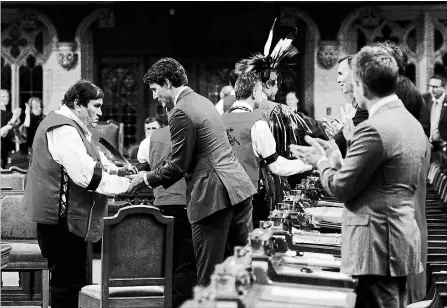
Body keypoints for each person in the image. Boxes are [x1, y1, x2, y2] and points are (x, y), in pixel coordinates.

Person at [290, 46, 425, 308]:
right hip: (397, 237)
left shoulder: (374, 128)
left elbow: (341, 189)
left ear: (361, 85)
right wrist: (338, 160)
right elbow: (378, 179)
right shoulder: (408, 121)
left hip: (376, 244)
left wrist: (320, 162)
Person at [128, 58, 257, 287]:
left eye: (155, 90)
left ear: (167, 83)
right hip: (238, 188)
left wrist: (145, 177)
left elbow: (178, 166)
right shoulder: (203, 101)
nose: (155, 97)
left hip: (214, 195)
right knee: (240, 273)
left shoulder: (180, 111)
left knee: (209, 277)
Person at [22, 80, 135, 308]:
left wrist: (118, 170)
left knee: (74, 283)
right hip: (61, 222)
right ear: (77, 104)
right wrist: (126, 186)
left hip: (69, 220)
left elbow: (96, 162)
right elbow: (86, 176)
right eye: (96, 106)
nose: (100, 113)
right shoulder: (62, 128)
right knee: (68, 287)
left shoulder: (74, 127)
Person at [222, 72, 312, 227]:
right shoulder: (257, 123)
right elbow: (276, 166)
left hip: (221, 197)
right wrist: (310, 163)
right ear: (255, 92)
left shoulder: (219, 120)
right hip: (246, 198)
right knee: (246, 247)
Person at [148, 124, 195, 306]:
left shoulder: (155, 136)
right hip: (184, 201)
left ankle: (166, 300)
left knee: (168, 259)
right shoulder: (189, 134)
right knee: (186, 261)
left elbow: (152, 165)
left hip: (161, 203)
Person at [0, 89, 21, 169]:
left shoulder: (7, 113)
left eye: (7, 96)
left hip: (6, 149)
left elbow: (9, 130)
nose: (6, 98)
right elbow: (3, 132)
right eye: (3, 96)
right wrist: (14, 117)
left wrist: (15, 120)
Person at [423, 74, 447, 142]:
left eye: (435, 87)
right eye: (430, 86)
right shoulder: (424, 99)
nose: (431, 90)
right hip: (426, 142)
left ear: (444, 87)